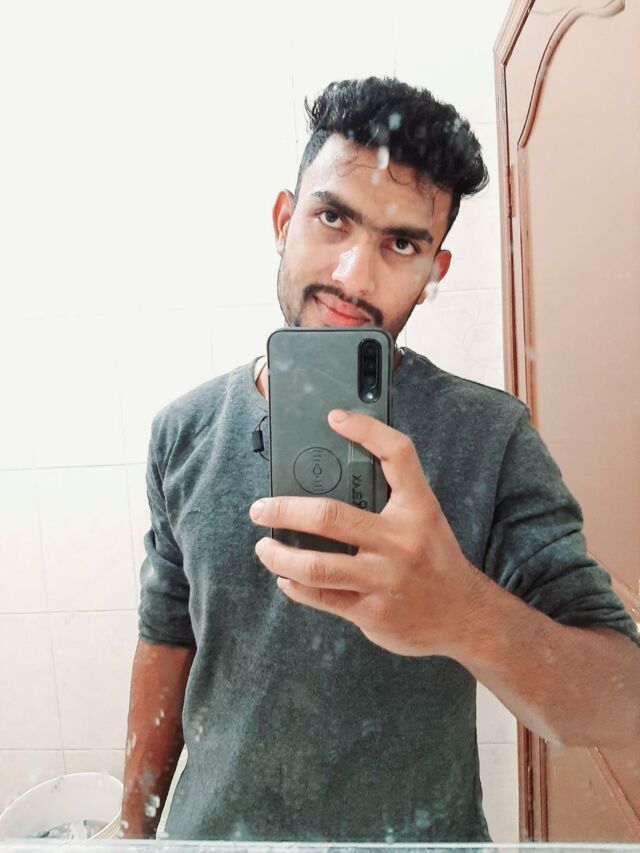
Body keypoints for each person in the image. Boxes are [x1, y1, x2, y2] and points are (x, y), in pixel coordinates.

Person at [121, 77, 640, 842]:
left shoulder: (489, 435)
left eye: (401, 243)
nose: (354, 277)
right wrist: (131, 829)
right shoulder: (184, 430)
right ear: (283, 220)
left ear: (435, 272)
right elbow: (167, 638)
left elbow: (621, 701)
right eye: (333, 217)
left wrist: (462, 613)